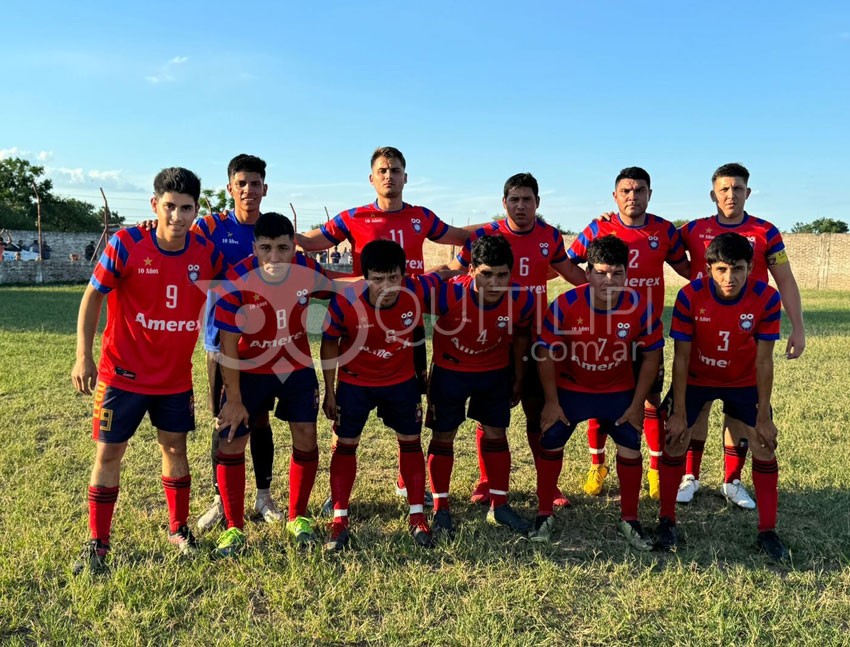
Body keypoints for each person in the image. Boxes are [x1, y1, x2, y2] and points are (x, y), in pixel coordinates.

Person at [70, 167, 223, 574]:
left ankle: (178, 529)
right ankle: (98, 543)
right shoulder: (127, 242)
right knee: (109, 452)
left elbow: (246, 275)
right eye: (169, 207)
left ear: (196, 210)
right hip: (122, 376)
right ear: (154, 205)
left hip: (173, 380)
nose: (176, 217)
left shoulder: (205, 251)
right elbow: (92, 297)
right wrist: (83, 355)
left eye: (186, 208)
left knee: (174, 449)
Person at [297, 146, 469, 504]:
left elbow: (458, 237)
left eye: (395, 170)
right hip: (361, 320)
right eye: (383, 170)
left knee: (408, 400)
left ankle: (407, 480)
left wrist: (494, 230)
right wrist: (288, 238)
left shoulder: (422, 217)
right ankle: (337, 493)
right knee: (348, 406)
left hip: (409, 319)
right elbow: (314, 242)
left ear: (406, 177)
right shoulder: (354, 216)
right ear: (372, 178)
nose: (389, 176)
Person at [675, 163, 805, 508]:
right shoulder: (693, 230)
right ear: (713, 194)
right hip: (702, 333)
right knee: (697, 410)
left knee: (738, 414)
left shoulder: (766, 232)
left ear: (748, 192)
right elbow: (655, 243)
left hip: (747, 336)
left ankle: (732, 481)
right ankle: (690, 475)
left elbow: (786, 280)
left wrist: (798, 326)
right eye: (724, 189)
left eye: (737, 189)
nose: (730, 195)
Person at [447, 172, 577, 508]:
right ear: (504, 203)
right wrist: (408, 282)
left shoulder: (550, 236)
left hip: (535, 338)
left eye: (527, 199)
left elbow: (574, 275)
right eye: (514, 200)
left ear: (537, 202)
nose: (521, 206)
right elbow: (454, 269)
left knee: (539, 414)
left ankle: (548, 484)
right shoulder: (486, 236)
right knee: (489, 415)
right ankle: (487, 481)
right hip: (491, 338)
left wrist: (613, 284)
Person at [657, 232, 788, 561]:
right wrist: (678, 413)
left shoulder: (767, 299)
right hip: (699, 377)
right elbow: (682, 358)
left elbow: (764, 360)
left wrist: (763, 417)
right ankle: (666, 521)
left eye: (739, 269)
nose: (730, 278)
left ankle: (767, 531)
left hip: (742, 381)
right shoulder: (689, 296)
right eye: (722, 270)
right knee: (673, 437)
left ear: (749, 268)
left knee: (763, 440)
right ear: (709, 268)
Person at [529, 235, 663, 550]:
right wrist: (551, 401)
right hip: (572, 389)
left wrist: (636, 404)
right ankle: (544, 513)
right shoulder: (566, 304)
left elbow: (651, 357)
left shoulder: (639, 306)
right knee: (550, 439)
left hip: (618, 391)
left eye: (617, 273)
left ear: (626, 275)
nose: (609, 280)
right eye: (601, 272)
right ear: (588, 273)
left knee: (630, 446)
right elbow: (545, 353)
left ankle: (630, 518)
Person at [566, 167, 689, 499]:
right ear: (615, 196)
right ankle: (597, 465)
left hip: (645, 334)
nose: (632, 196)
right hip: (603, 333)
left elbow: (686, 267)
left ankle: (655, 470)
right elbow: (564, 262)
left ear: (650, 194)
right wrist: (594, 289)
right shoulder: (599, 227)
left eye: (639, 190)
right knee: (598, 396)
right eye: (626, 191)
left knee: (650, 402)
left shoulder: (664, 230)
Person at [212, 212, 330, 556]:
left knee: (306, 437)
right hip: (249, 371)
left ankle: (298, 517)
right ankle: (234, 527)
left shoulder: (307, 272)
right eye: (266, 248)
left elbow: (340, 286)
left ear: (294, 247)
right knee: (232, 442)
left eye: (282, 248)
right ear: (254, 248)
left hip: (296, 368)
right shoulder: (237, 280)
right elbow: (228, 347)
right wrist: (233, 398)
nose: (274, 257)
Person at [320, 239, 443, 551]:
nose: (387, 286)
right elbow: (330, 344)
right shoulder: (346, 301)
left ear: (405, 275)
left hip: (400, 383)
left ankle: (417, 516)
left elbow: (448, 272)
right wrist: (330, 391)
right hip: (355, 383)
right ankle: (339, 518)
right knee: (345, 445)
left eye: (393, 278)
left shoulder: (416, 290)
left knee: (411, 442)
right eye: (377, 279)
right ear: (365, 278)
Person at [190, 154, 284, 532]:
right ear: (230, 188)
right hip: (220, 342)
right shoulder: (210, 227)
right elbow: (175, 243)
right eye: (241, 183)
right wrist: (153, 227)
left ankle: (263, 496)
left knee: (259, 420)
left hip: (266, 347)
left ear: (266, 188)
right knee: (225, 422)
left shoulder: (274, 232)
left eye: (256, 183)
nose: (249, 190)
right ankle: (221, 499)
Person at [426, 235, 535, 536]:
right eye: (487, 273)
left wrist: (519, 376)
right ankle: (441, 507)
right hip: (450, 371)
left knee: (496, 433)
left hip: (494, 371)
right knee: (443, 435)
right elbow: (405, 302)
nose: (495, 282)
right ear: (471, 269)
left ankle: (499, 506)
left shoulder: (522, 298)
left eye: (502, 274)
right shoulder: (447, 294)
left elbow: (522, 336)